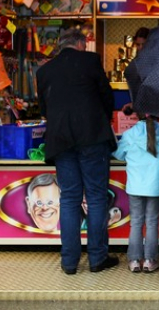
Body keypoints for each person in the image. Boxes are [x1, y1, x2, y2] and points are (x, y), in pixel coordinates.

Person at [36, 28, 118, 275]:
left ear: (61, 46)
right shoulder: (90, 60)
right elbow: (107, 97)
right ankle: (97, 258)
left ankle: (69, 262)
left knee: (69, 199)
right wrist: (99, 120)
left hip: (61, 141)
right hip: (92, 138)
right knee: (95, 197)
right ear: (81, 44)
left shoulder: (45, 70)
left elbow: (43, 108)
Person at [113, 111, 159, 274]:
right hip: (155, 186)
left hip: (135, 186)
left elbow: (118, 154)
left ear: (137, 115)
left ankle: (134, 261)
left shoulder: (129, 134)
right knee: (151, 222)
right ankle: (150, 261)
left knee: (135, 222)